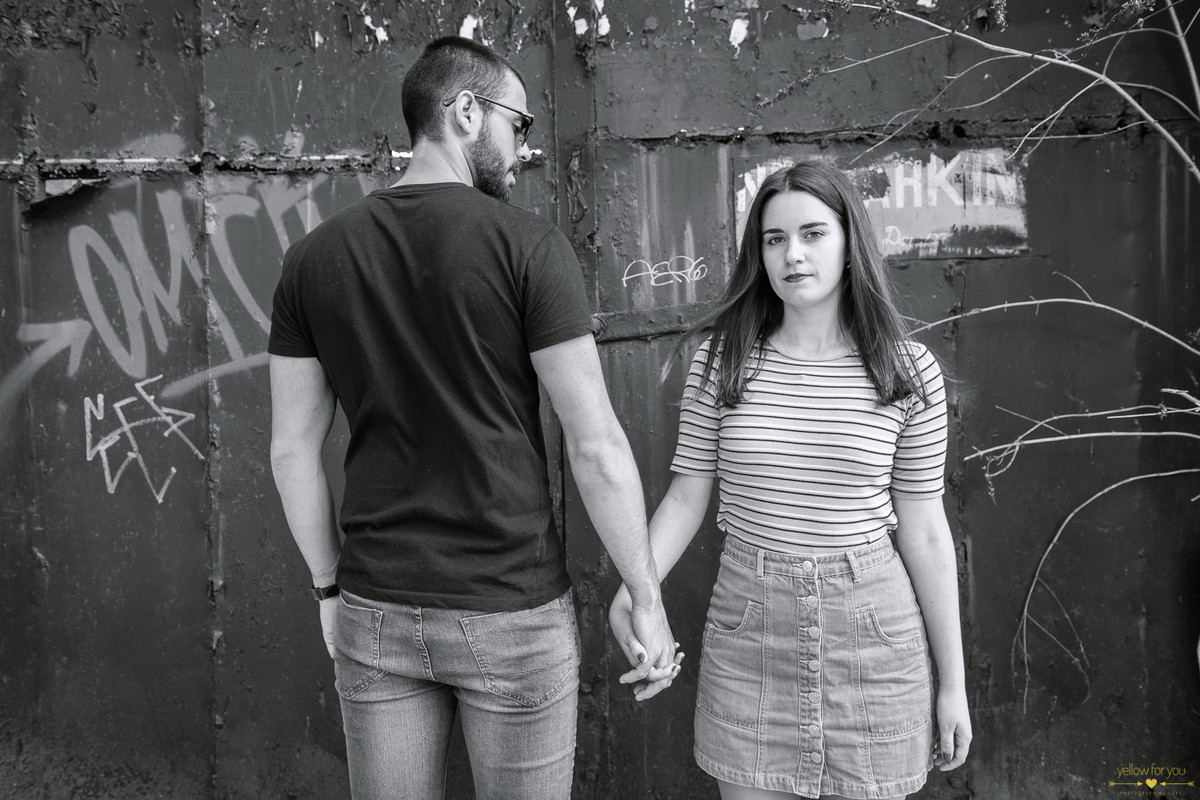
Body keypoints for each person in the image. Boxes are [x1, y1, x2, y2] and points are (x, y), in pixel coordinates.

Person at [267, 36, 677, 800]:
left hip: (376, 609)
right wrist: (646, 597)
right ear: (464, 112)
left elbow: (292, 452)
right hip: (509, 609)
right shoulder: (530, 248)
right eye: (518, 126)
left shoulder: (312, 260)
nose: (523, 150)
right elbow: (595, 447)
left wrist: (328, 590)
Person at [609, 161, 972, 799]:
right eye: (774, 239)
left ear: (850, 242)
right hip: (750, 632)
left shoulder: (908, 372)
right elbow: (687, 498)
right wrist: (635, 591)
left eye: (812, 234)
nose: (792, 255)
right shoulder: (721, 362)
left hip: (873, 636)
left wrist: (954, 684)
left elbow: (925, 532)